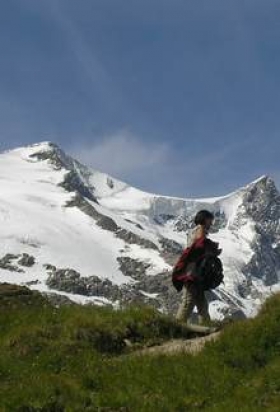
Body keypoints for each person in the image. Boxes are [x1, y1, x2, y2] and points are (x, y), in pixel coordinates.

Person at [174, 210, 222, 325]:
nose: (211, 223)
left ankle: (206, 326)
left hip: (195, 273)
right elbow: (200, 245)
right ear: (205, 219)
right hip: (192, 273)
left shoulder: (193, 231)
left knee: (201, 302)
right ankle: (176, 326)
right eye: (210, 220)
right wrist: (213, 250)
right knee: (188, 301)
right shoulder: (200, 229)